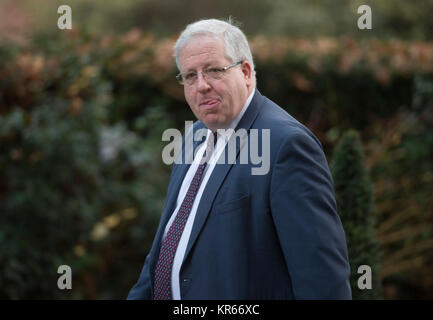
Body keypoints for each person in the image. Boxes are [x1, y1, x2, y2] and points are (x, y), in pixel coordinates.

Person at [127, 18, 352, 300]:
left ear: (245, 72)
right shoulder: (193, 137)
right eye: (190, 76)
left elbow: (322, 280)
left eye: (213, 70)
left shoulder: (285, 145)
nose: (201, 86)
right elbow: (166, 250)